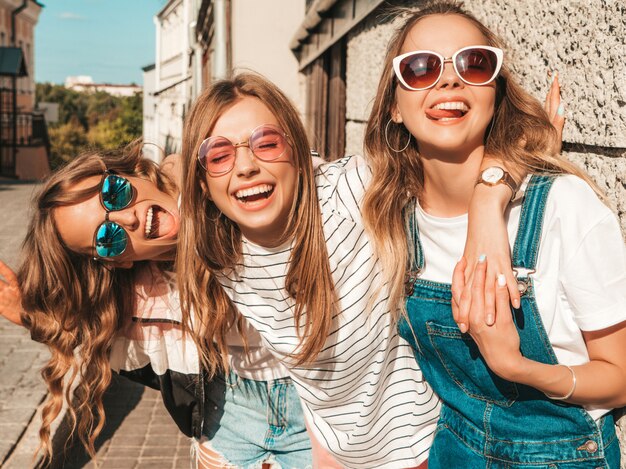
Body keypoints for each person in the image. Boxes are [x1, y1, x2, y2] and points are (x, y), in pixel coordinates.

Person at [177, 70, 551, 467]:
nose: (245, 166)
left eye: (266, 143)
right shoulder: (216, 245)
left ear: (300, 154)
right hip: (332, 453)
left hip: (422, 446)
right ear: (202, 184)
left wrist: (488, 204)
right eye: (219, 155)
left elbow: (491, 146)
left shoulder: (350, 193)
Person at [361, 1, 626, 467]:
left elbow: (621, 375)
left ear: (495, 92)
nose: (448, 80)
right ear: (393, 108)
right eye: (419, 68)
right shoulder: (391, 218)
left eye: (473, 62)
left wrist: (517, 367)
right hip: (451, 451)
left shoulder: (561, 205)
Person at [0, 141, 312, 468]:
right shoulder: (148, 303)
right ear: (116, 262)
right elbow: (98, 333)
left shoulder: (224, 188)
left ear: (133, 174)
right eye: (107, 238)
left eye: (114, 192)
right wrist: (31, 316)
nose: (127, 219)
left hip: (320, 403)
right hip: (229, 421)